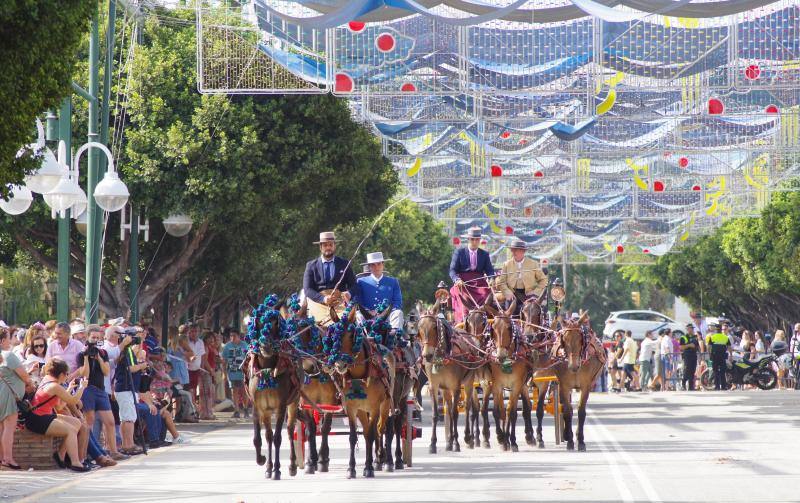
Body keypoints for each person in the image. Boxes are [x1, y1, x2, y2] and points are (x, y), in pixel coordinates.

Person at [26, 358, 91, 471]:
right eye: (66, 374)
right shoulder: (55, 386)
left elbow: (59, 406)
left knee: (76, 423)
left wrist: (69, 388)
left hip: (44, 415)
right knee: (70, 430)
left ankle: (60, 455)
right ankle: (75, 463)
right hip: (37, 419)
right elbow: (73, 401)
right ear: (61, 374)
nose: (67, 376)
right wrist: (82, 387)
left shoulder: (48, 379)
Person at [77, 325, 124, 461]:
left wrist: (98, 357)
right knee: (89, 421)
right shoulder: (81, 354)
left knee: (109, 421)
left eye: (98, 338)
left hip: (101, 389)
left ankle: (113, 451)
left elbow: (106, 371)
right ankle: (89, 451)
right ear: (87, 338)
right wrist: (86, 357)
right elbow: (84, 373)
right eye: (93, 337)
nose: (95, 340)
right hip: (88, 389)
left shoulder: (103, 353)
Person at [302, 231, 359, 324]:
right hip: (318, 303)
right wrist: (323, 299)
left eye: (330, 245)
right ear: (320, 247)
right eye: (325, 245)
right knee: (316, 326)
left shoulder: (344, 263)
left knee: (348, 323)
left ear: (334, 246)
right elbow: (307, 289)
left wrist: (348, 293)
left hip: (339, 303)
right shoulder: (311, 265)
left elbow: (355, 286)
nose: (328, 247)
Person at [0, 330, 35, 469]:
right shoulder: (8, 355)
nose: (11, 340)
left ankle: (2, 458)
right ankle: (8, 458)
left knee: (2, 428)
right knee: (9, 427)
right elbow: (23, 375)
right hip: (9, 396)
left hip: (2, 393)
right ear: (2, 341)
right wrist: (30, 383)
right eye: (9, 338)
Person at [449, 227, 495, 322]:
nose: (475, 242)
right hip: (463, 283)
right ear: (468, 239)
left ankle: (484, 319)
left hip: (479, 283)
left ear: (479, 240)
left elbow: (490, 271)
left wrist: (491, 279)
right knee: (464, 297)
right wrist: (457, 280)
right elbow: (452, 270)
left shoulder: (484, 254)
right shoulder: (459, 252)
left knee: (486, 294)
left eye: (477, 239)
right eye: (472, 239)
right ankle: (463, 319)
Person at [494, 238, 547, 316]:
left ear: (523, 251)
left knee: (531, 315)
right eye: (512, 250)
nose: (513, 252)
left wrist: (535, 292)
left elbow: (543, 280)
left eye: (516, 250)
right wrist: (507, 292)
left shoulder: (533, 264)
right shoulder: (507, 264)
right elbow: (502, 282)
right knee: (508, 315)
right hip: (512, 295)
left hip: (529, 296)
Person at [115, 335, 148, 455]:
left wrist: (140, 343)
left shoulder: (129, 350)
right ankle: (129, 445)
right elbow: (129, 368)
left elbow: (136, 355)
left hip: (127, 389)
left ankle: (126, 444)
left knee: (126, 418)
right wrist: (141, 366)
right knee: (129, 418)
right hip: (125, 388)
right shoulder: (124, 350)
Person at [221, 330, 249, 418]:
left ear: (238, 336)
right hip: (232, 372)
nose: (232, 338)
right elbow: (224, 361)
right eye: (231, 336)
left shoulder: (244, 345)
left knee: (244, 392)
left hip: (243, 373)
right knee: (234, 391)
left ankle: (246, 409)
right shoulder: (227, 346)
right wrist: (224, 373)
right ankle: (236, 410)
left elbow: (248, 358)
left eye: (234, 336)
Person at [706, 322, 731, 391]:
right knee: (723, 372)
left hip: (715, 356)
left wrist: (709, 354)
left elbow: (708, 347)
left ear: (715, 329)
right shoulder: (725, 337)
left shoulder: (712, 337)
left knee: (716, 371)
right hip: (723, 356)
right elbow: (729, 347)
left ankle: (717, 386)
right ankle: (723, 386)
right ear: (720, 330)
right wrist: (731, 355)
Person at [185, 325, 205, 404]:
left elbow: (203, 355)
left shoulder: (200, 342)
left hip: (196, 369)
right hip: (187, 369)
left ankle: (193, 406)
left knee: (194, 388)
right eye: (192, 331)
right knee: (187, 388)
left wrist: (202, 367)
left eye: (196, 331)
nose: (194, 333)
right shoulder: (186, 341)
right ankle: (189, 407)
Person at [678, 324, 699, 391]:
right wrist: (689, 345)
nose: (692, 329)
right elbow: (681, 347)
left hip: (694, 355)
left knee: (693, 371)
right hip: (687, 355)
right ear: (687, 329)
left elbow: (697, 346)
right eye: (690, 328)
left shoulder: (695, 337)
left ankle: (691, 387)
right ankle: (683, 383)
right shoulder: (683, 337)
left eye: (692, 328)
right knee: (687, 370)